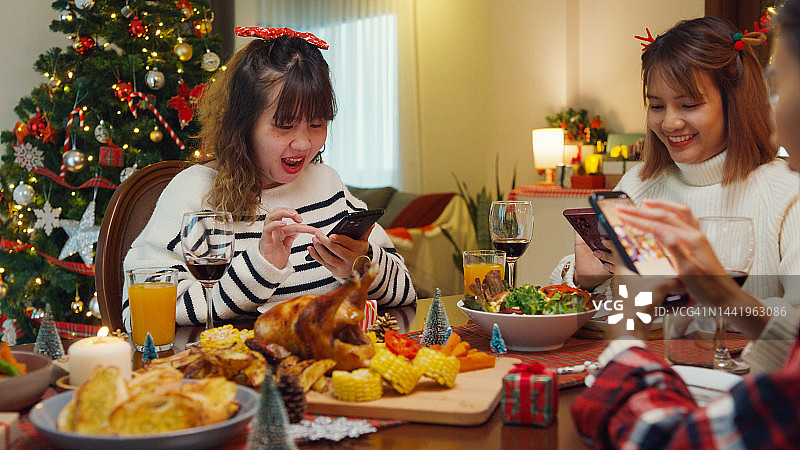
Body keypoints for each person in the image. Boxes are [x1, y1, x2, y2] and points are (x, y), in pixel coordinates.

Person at [571, 5, 800, 448]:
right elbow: (607, 302)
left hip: (725, 392)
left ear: (735, 101)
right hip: (669, 380)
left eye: (689, 105)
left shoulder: (785, 189)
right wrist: (583, 275)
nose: (670, 122)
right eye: (656, 106)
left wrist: (634, 323)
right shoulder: (639, 184)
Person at [121, 27, 416, 329]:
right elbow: (138, 312)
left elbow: (405, 291)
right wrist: (258, 270)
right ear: (243, 124)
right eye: (284, 126)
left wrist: (362, 265)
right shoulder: (194, 194)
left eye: (317, 124)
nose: (304, 144)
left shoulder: (326, 183)